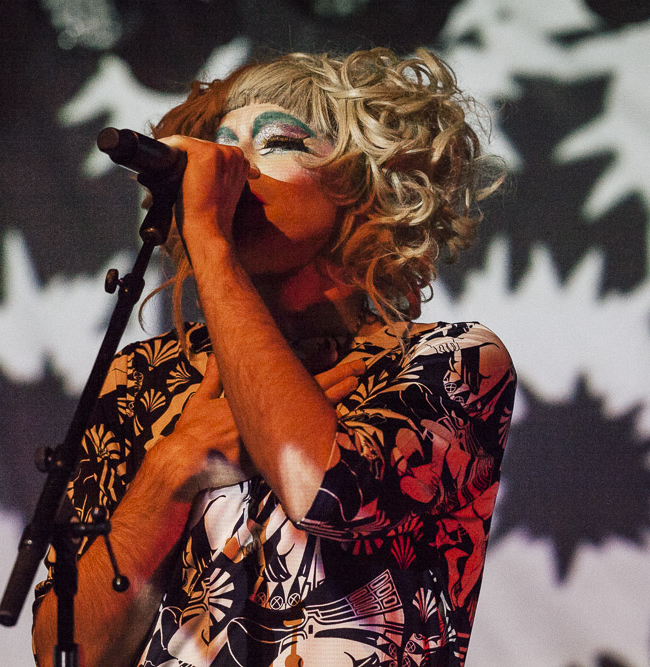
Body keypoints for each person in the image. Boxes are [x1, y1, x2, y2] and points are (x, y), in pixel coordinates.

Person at [32, 47, 516, 667]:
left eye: (277, 142)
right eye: (225, 145)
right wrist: (173, 465)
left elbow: (324, 491)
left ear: (366, 184)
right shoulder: (147, 378)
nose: (234, 167)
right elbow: (64, 653)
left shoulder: (449, 359)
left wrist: (209, 240)